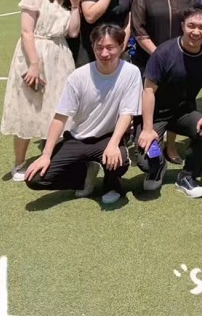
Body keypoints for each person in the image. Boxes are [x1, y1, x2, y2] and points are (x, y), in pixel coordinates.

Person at [25, 24, 143, 205]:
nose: (104, 53)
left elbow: (127, 114)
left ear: (121, 47)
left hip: (108, 137)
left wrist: (113, 144)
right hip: (78, 138)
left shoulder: (131, 72)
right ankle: (84, 177)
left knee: (119, 161)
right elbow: (60, 117)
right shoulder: (78, 76)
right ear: (92, 47)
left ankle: (111, 183)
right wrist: (46, 155)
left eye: (110, 47)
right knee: (35, 179)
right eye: (99, 47)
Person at [1, 0, 82, 180]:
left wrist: (76, 6)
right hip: (33, 54)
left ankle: (51, 159)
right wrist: (34, 64)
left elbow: (73, 32)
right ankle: (19, 163)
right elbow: (26, 31)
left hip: (60, 57)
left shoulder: (69, 0)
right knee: (27, 108)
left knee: (58, 108)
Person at [135, 5, 202, 199]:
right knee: (147, 157)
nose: (196, 31)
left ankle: (187, 176)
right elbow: (148, 91)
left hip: (183, 113)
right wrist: (148, 128)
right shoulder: (163, 53)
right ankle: (157, 167)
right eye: (191, 25)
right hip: (156, 116)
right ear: (183, 26)